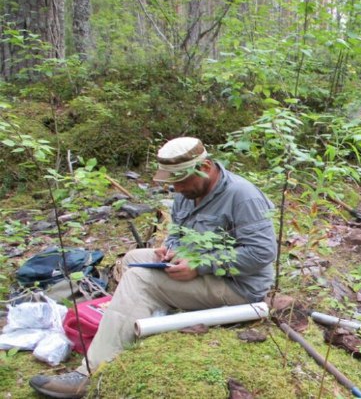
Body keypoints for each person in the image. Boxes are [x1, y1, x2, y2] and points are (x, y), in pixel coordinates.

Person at [30, 137, 278, 398]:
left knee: (139, 279)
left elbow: (262, 253)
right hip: (204, 269)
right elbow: (178, 232)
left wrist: (200, 267)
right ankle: (131, 328)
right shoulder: (188, 192)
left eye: (181, 180)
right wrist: (169, 249)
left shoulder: (243, 196)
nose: (176, 187)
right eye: (172, 181)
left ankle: (90, 376)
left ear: (205, 167)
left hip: (239, 288)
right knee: (132, 260)